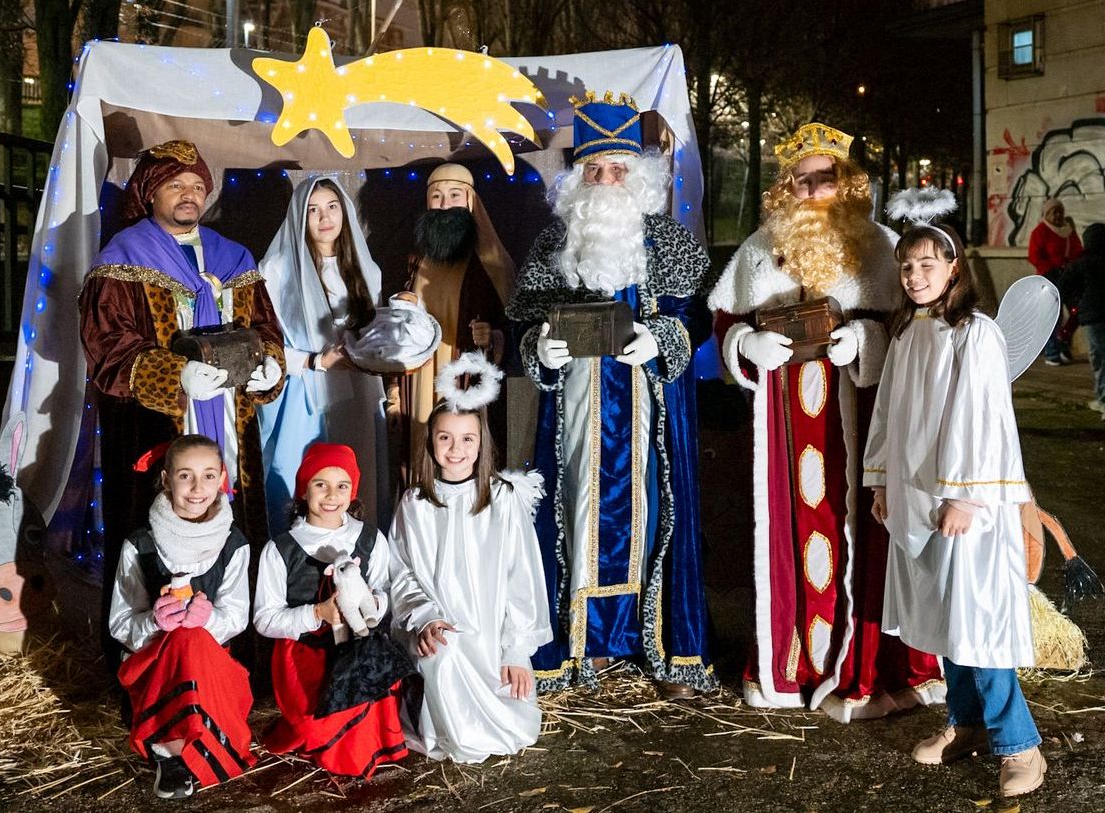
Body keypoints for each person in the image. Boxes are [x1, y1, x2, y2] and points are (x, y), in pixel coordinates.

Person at [707, 122, 943, 720]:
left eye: (825, 178)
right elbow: (722, 322)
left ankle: (868, 670)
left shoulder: (882, 245)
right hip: (781, 425)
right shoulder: (760, 248)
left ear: (847, 182)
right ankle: (794, 667)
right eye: (802, 179)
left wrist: (863, 340)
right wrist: (742, 344)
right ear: (786, 187)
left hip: (861, 420)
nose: (814, 189)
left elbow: (910, 328)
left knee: (864, 535)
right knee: (787, 537)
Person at [506, 91, 715, 696]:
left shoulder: (668, 242)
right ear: (578, 178)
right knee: (575, 510)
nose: (605, 180)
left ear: (638, 175)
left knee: (654, 512)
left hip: (651, 406)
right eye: (594, 169)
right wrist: (537, 351)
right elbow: (524, 322)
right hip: (575, 406)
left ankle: (655, 645)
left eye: (617, 168)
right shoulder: (554, 245)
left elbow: (702, 316)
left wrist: (667, 337)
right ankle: (582, 646)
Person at [864, 219, 1045, 798]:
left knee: (976, 623)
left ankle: (1020, 745)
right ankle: (965, 722)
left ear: (954, 269)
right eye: (907, 265)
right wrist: (881, 482)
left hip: (969, 504)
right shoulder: (907, 331)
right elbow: (889, 413)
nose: (915, 275)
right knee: (945, 620)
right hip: (917, 502)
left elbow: (984, 418)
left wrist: (964, 494)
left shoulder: (976, 332)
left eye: (927, 264)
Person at [80, 140, 285, 607]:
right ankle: (156, 653)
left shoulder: (233, 257)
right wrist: (174, 377)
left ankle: (237, 654)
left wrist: (269, 365)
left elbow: (265, 328)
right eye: (176, 185)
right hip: (154, 427)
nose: (189, 194)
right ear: (151, 193)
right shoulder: (123, 258)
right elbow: (107, 348)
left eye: (197, 185)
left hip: (232, 426)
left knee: (236, 535)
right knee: (153, 539)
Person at [388, 353, 551, 763]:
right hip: (438, 625)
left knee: (513, 717)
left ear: (481, 445)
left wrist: (516, 650)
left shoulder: (502, 500)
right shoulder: (414, 504)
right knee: (442, 657)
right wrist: (424, 618)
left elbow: (522, 576)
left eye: (467, 439)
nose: (455, 449)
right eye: (445, 438)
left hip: (491, 634)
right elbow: (401, 571)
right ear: (430, 442)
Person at [254, 442, 413, 778]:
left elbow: (387, 591)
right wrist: (317, 614)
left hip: (359, 650)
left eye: (342, 486)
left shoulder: (370, 538)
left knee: (370, 704)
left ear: (352, 491)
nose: (331, 495)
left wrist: (372, 604)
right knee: (315, 727)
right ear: (303, 490)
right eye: (320, 484)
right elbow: (264, 620)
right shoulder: (281, 549)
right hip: (306, 656)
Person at [109, 434, 255, 800]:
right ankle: (170, 748)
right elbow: (120, 623)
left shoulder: (234, 543)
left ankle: (182, 741)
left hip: (210, 667)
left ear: (222, 477)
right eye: (185, 475)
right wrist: (155, 622)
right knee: (182, 639)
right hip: (155, 668)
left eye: (208, 475)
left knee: (192, 638)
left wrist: (207, 619)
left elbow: (236, 617)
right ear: (166, 479)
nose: (197, 487)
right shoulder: (140, 543)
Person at [259, 176, 389, 534]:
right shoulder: (276, 272)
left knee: (354, 472)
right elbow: (261, 345)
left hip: (357, 393)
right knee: (301, 477)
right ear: (299, 218)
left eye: (332, 207)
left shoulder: (366, 270)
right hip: (301, 395)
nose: (324, 218)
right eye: (313, 210)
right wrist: (314, 361)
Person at [395, 163, 515, 481]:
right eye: (437, 196)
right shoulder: (415, 261)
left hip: (467, 377)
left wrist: (494, 338)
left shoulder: (493, 264)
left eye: (454, 195)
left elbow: (514, 325)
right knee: (422, 453)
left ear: (471, 202)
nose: (445, 205)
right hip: (421, 379)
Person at [1028, 198, 1083, 365]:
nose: (1058, 215)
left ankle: (1063, 340)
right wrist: (1051, 268)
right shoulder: (1040, 232)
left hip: (1069, 275)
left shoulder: (1068, 231)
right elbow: (1034, 255)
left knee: (1077, 310)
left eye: (1060, 211)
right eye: (1054, 212)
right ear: (1046, 214)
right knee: (1054, 314)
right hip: (1050, 276)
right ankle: (1052, 351)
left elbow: (1078, 250)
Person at [1058, 222, 1105, 415]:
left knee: (1100, 357)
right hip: (1095, 314)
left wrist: (1076, 300)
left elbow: (1062, 287)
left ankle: (1102, 399)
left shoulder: (1080, 263)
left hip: (1093, 316)